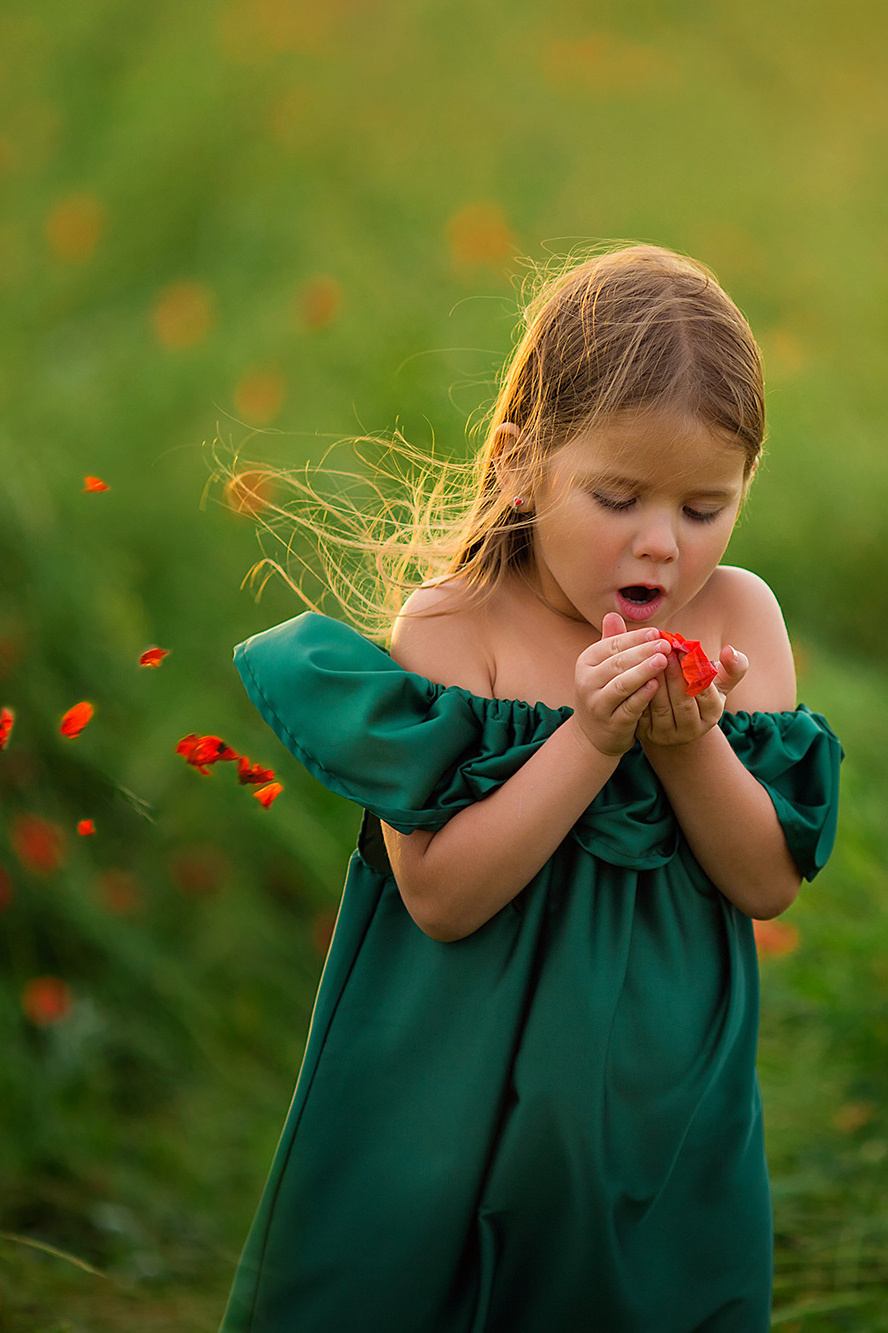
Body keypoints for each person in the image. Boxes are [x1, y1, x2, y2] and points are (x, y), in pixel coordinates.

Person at [219, 245, 842, 1332]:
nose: (662, 541)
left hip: (652, 1103)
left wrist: (690, 744)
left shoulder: (738, 622)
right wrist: (593, 739)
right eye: (617, 495)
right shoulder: (462, 630)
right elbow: (443, 896)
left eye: (706, 507)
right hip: (449, 1094)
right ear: (520, 464)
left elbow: (765, 881)